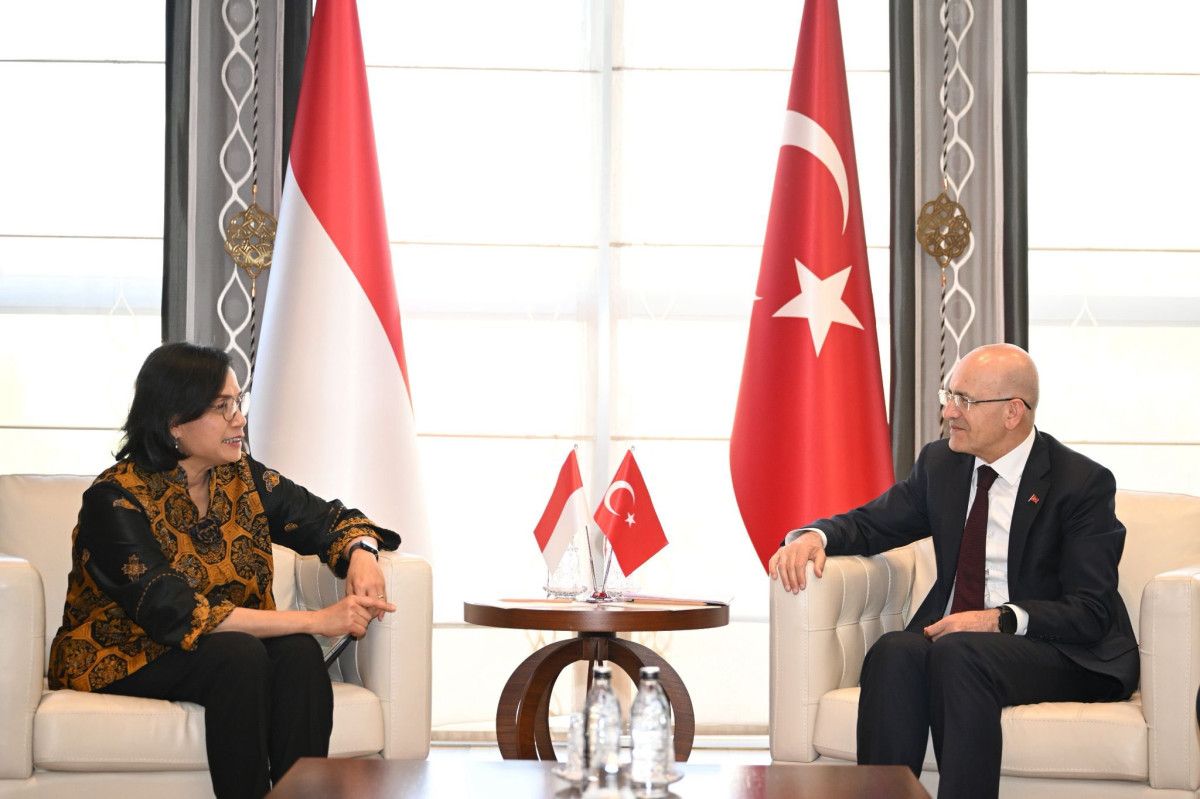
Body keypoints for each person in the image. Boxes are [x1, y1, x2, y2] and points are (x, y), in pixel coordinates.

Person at [769, 343, 1137, 799]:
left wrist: (998, 619)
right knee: (894, 652)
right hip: (958, 643)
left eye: (964, 400)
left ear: (1013, 412)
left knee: (959, 653)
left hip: (1060, 649)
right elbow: (873, 523)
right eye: (949, 396)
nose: (948, 412)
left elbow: (1090, 609)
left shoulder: (1080, 483)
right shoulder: (942, 464)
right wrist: (814, 537)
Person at [48, 342, 400, 799]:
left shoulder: (243, 478)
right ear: (174, 421)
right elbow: (175, 612)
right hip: (124, 651)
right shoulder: (114, 500)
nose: (240, 419)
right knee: (241, 655)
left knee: (298, 654)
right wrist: (317, 620)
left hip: (226, 646)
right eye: (222, 407)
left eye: (239, 402)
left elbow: (329, 519)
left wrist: (361, 552)